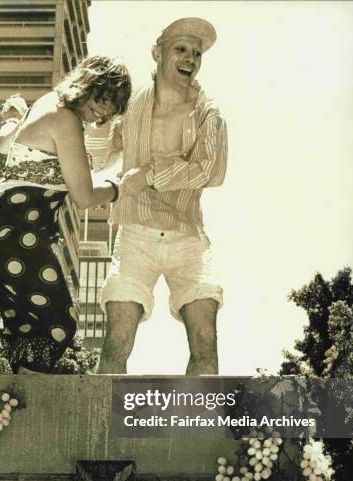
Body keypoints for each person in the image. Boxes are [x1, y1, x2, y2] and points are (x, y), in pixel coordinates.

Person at [0, 56, 131, 373]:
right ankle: (27, 398)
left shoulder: (46, 104)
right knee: (59, 324)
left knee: (27, 331)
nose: (102, 112)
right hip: (18, 234)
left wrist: (13, 117)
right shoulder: (66, 119)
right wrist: (119, 188)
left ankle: (15, 402)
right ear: (89, 82)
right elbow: (84, 197)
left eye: (110, 110)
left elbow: (5, 144)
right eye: (103, 99)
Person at [93, 18, 228, 375]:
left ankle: (196, 426)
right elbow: (101, 154)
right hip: (135, 233)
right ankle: (103, 429)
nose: (190, 59)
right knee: (116, 341)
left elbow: (211, 170)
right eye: (181, 49)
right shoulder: (131, 104)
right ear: (158, 53)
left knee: (205, 340)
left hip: (187, 237)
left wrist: (151, 174)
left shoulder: (208, 113)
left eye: (197, 53)